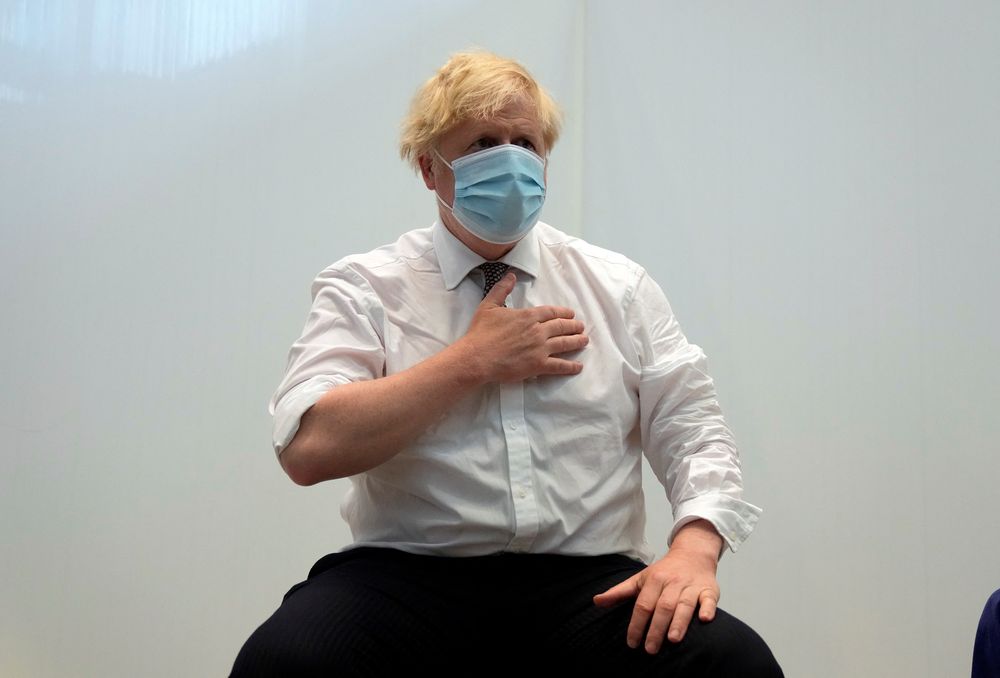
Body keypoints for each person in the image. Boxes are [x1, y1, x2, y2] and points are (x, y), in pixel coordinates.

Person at [230, 50, 782, 677]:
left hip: (589, 583)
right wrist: (468, 362)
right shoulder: (365, 288)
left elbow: (695, 432)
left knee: (735, 663)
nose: (511, 160)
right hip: (406, 576)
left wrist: (695, 548)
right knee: (282, 662)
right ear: (429, 168)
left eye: (526, 143)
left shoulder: (618, 287)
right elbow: (307, 449)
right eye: (484, 143)